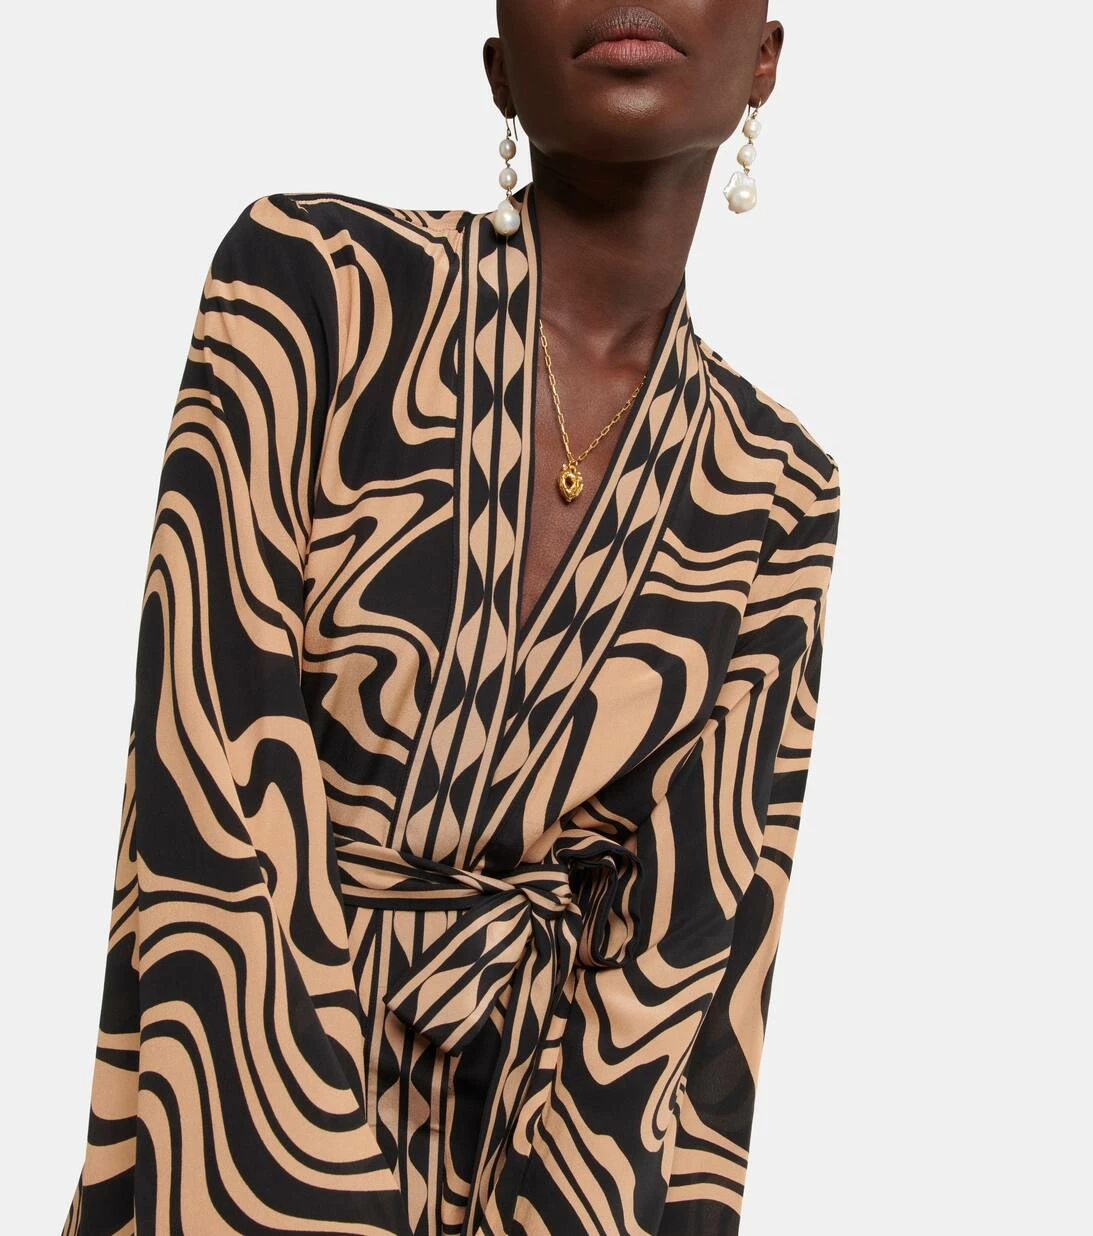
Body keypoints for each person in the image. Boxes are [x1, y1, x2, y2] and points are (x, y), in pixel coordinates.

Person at [62, 3, 841, 1233]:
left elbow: (691, 966)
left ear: (763, 60)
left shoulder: (777, 486)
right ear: (498, 70)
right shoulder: (311, 284)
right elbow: (208, 772)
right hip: (235, 1131)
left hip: (535, 1169)